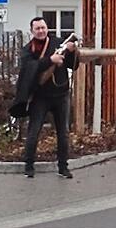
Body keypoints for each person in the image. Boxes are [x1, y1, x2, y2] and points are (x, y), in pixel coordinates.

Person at [10, 17, 78, 178]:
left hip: (61, 95)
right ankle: (29, 166)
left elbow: (73, 65)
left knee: (64, 133)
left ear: (47, 28)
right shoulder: (28, 49)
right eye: (37, 29)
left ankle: (63, 167)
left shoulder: (58, 42)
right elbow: (29, 68)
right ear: (32, 31)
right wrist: (50, 60)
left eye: (43, 27)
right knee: (34, 132)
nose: (41, 31)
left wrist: (72, 51)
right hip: (40, 97)